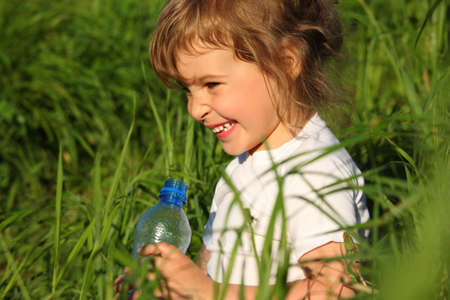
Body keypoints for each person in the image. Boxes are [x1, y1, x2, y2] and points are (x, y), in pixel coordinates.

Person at [115, 0, 370, 299]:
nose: (195, 109)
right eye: (188, 90)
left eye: (211, 84)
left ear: (286, 63)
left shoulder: (315, 172)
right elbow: (213, 273)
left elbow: (337, 289)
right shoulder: (245, 165)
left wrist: (206, 291)